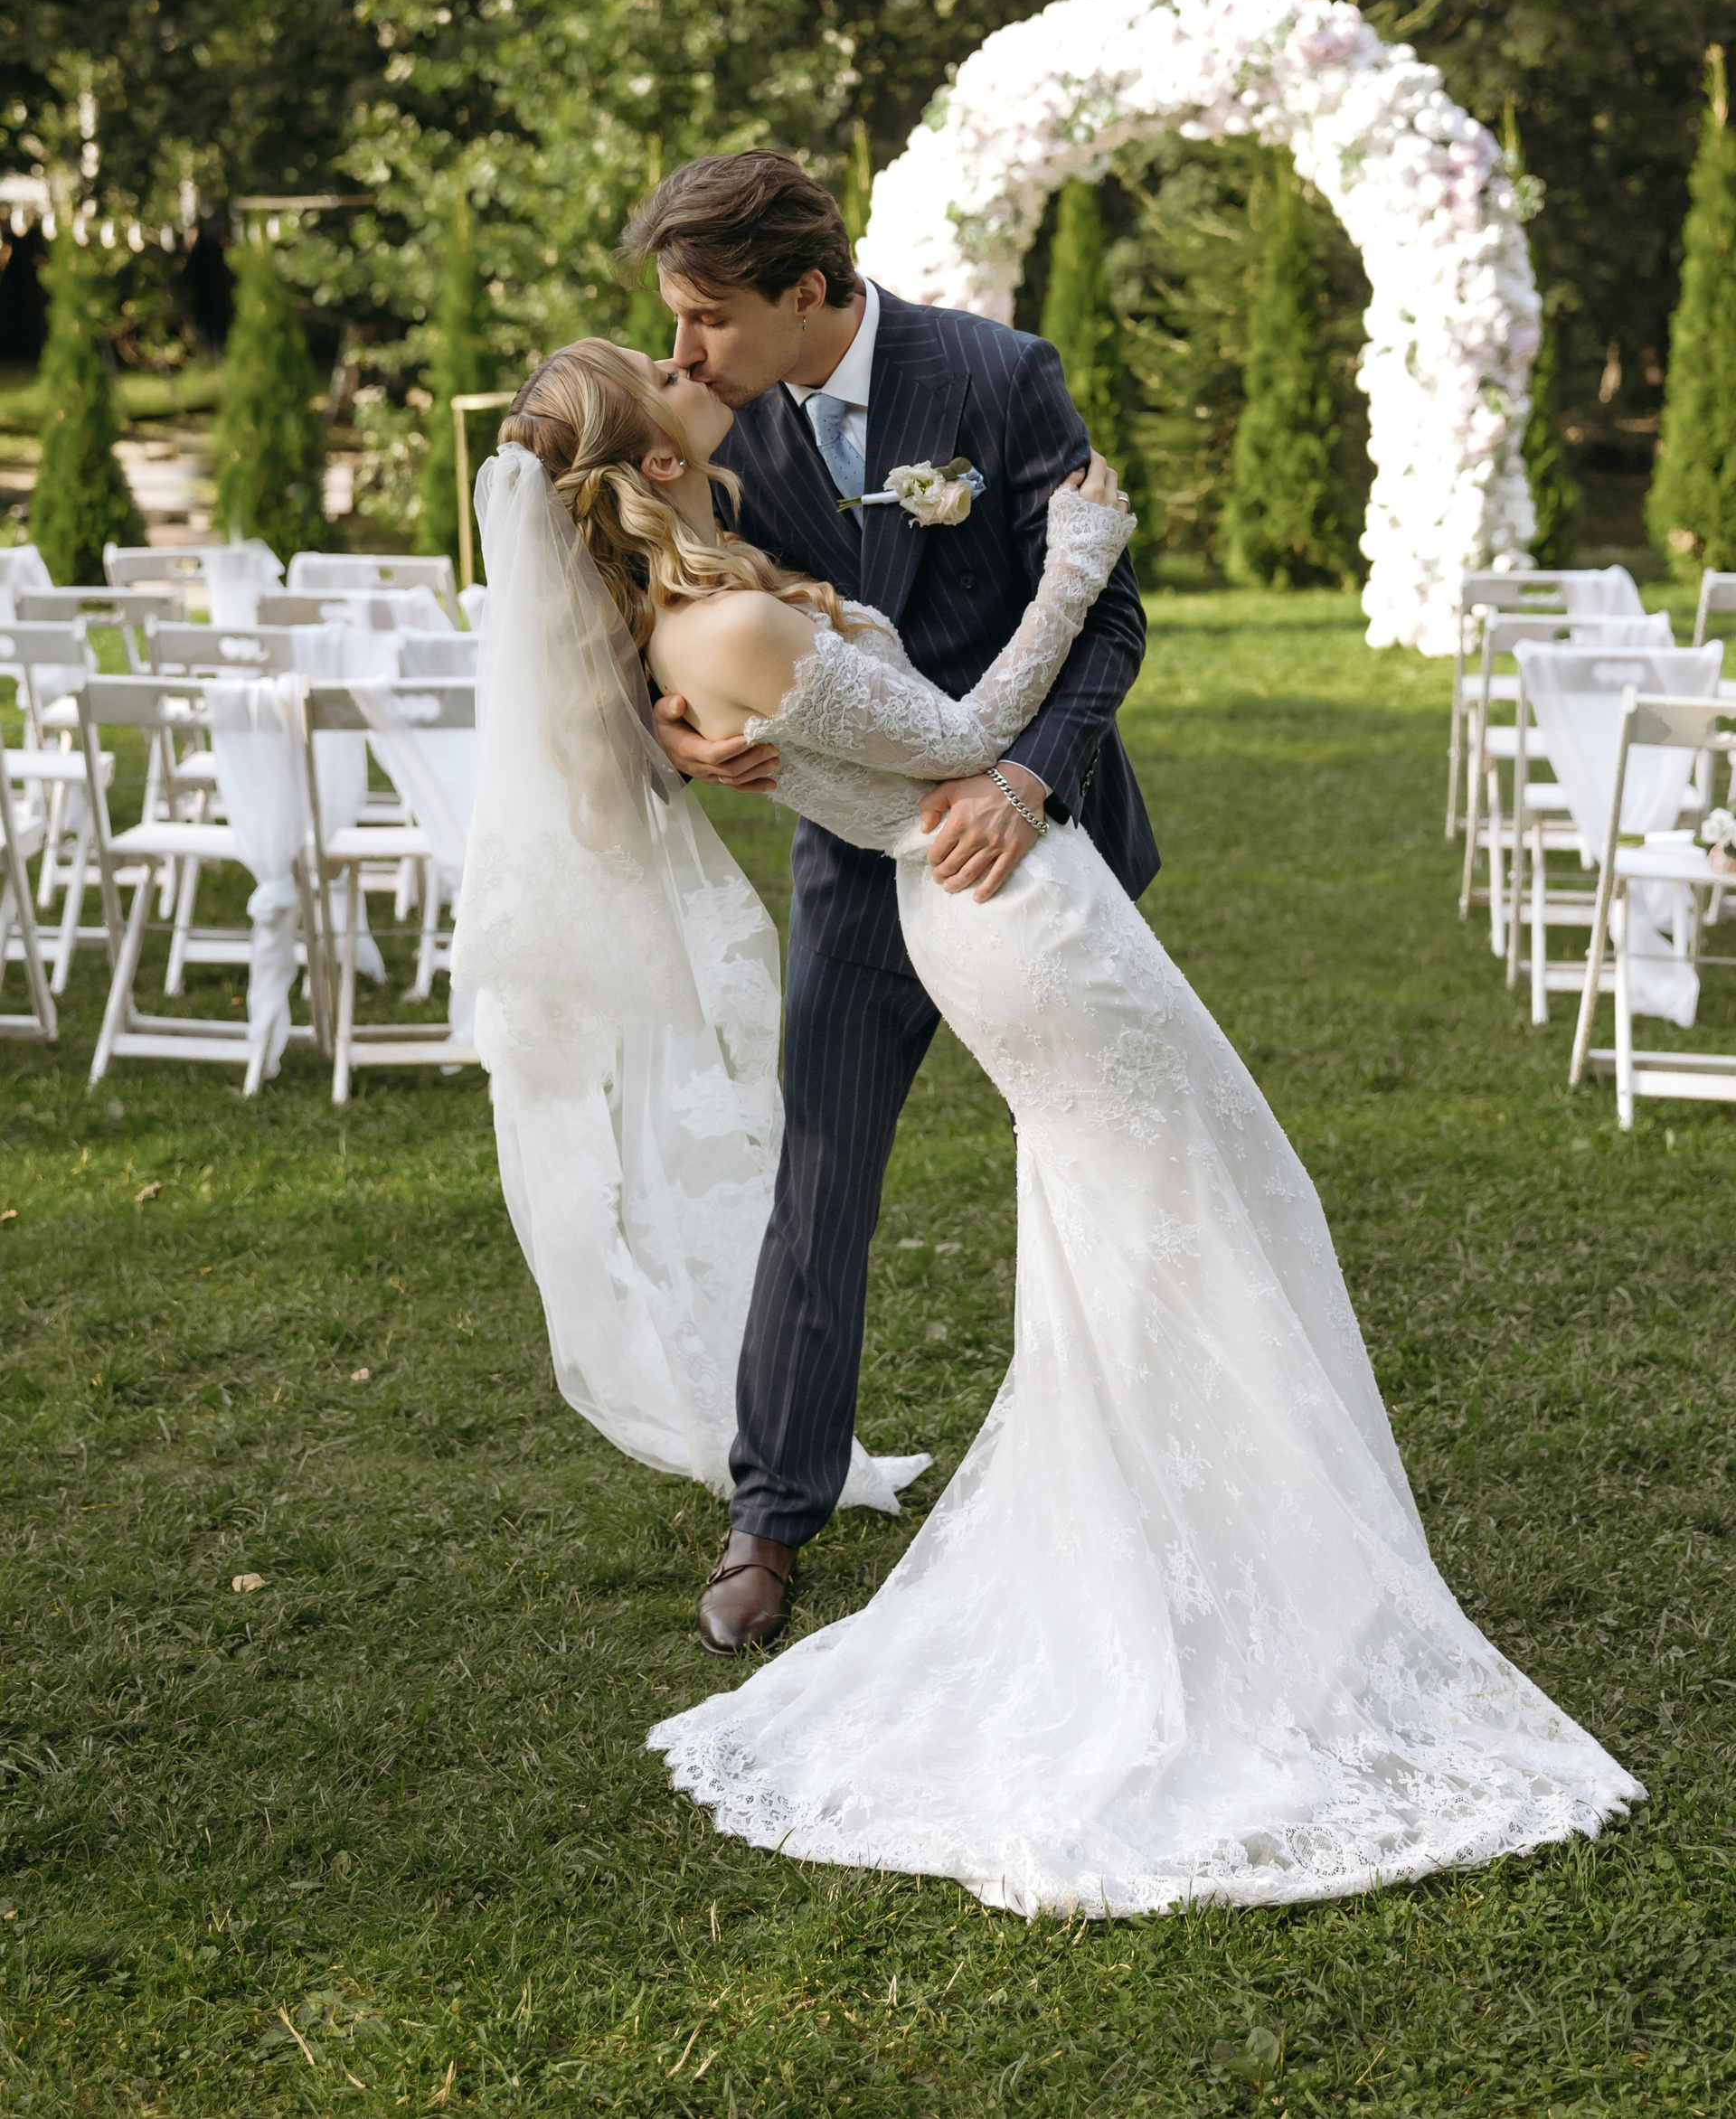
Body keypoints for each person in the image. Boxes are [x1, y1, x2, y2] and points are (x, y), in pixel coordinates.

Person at [456, 339, 1641, 1920]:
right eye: (657, 364)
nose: (683, 358)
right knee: (1196, 1218)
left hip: (1006, 900)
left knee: (1156, 1232)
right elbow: (963, 741)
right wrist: (1076, 562)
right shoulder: (723, 619)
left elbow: (866, 735)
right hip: (1011, 909)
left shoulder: (703, 608)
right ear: (657, 464)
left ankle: (1228, 1563)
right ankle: (1234, 1599)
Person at [620, 152, 1155, 1654]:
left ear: (807, 292)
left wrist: (1026, 784)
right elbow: (654, 607)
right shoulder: (715, 426)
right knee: (822, 1176)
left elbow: (1109, 611)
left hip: (1037, 854)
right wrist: (677, 731)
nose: (682, 352)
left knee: (1111, 1153)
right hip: (857, 867)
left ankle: (1146, 1460)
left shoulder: (993, 374)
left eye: (708, 317)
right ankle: (771, 1513)